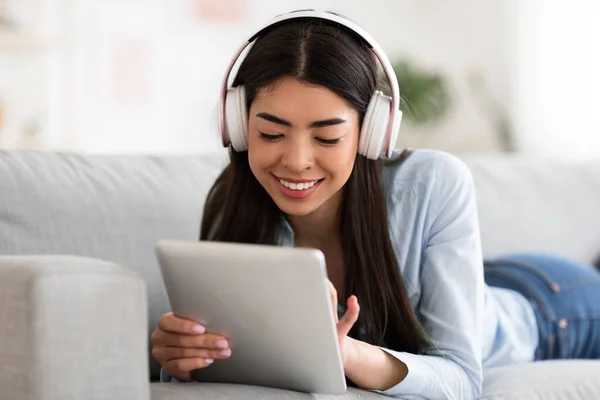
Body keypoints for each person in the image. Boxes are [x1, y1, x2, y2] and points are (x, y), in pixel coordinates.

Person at [150, 10, 600, 399]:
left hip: (556, 309)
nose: (297, 161)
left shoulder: (433, 182)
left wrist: (344, 355)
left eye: (327, 137)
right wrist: (185, 360)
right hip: (487, 284)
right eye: (270, 134)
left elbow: (463, 382)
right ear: (239, 126)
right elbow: (233, 360)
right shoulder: (234, 198)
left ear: (372, 135)